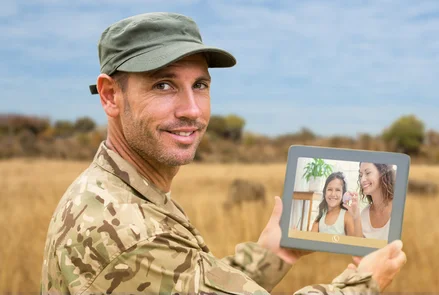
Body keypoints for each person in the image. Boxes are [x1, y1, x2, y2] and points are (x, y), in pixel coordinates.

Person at [39, 12, 407, 294]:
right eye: (163, 85)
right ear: (110, 96)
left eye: (200, 85)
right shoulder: (128, 230)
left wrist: (275, 254)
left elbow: (193, 283)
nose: (192, 110)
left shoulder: (118, 190)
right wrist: (363, 282)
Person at [345, 162, 396, 241]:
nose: (362, 180)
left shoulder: (398, 207)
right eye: (361, 175)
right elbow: (359, 248)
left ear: (383, 173)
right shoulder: (364, 214)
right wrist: (356, 216)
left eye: (368, 173)